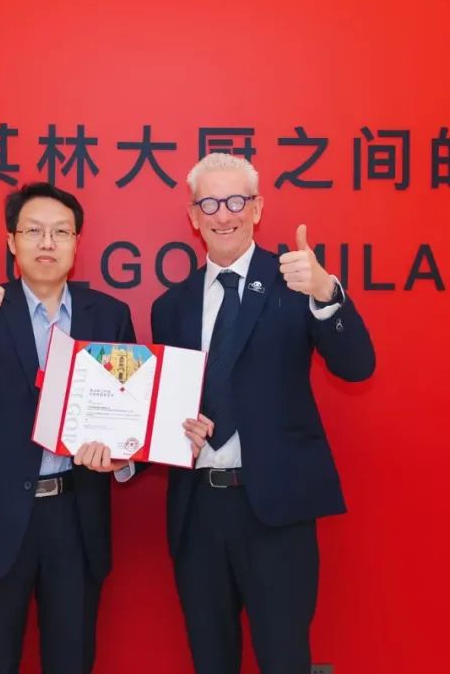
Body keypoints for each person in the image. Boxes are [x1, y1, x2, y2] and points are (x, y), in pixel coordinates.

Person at [151, 152, 376, 673]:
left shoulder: (296, 282)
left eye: (236, 201)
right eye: (209, 204)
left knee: (284, 659)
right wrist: (173, 428)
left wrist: (326, 292)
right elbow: (167, 404)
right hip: (197, 513)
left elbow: (358, 367)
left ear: (257, 209)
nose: (223, 215)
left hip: (277, 509)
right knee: (211, 660)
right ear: (193, 216)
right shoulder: (170, 306)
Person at [0, 182, 135, 674]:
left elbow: (129, 418)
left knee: (72, 659)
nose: (47, 242)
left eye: (61, 232)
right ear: (11, 241)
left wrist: (123, 459)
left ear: (77, 243)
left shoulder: (110, 316)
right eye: (34, 231)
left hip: (75, 519)